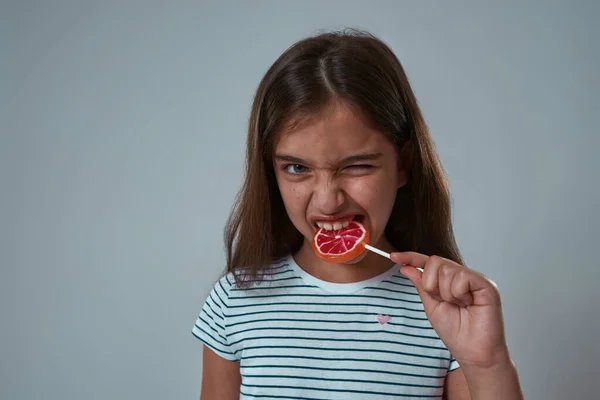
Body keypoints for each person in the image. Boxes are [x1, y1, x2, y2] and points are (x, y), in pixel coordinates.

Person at [192, 29, 524, 400]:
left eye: (357, 166)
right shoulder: (236, 300)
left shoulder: (446, 312)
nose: (328, 201)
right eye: (298, 168)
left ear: (404, 165)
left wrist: (488, 364)